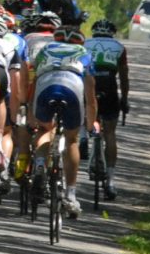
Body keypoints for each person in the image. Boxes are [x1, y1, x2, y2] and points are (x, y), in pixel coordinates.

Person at [29, 27, 97, 218]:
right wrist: (90, 125)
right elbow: (91, 97)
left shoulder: (45, 49)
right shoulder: (85, 53)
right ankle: (70, 195)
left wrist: (31, 116)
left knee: (44, 129)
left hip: (46, 85)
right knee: (72, 140)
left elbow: (33, 82)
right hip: (72, 87)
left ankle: (40, 166)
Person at [84, 18, 127, 199]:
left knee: (86, 119)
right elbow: (124, 77)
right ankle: (110, 180)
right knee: (110, 132)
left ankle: (84, 138)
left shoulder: (84, 44)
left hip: (89, 84)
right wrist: (124, 99)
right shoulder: (119, 47)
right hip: (109, 85)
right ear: (112, 33)